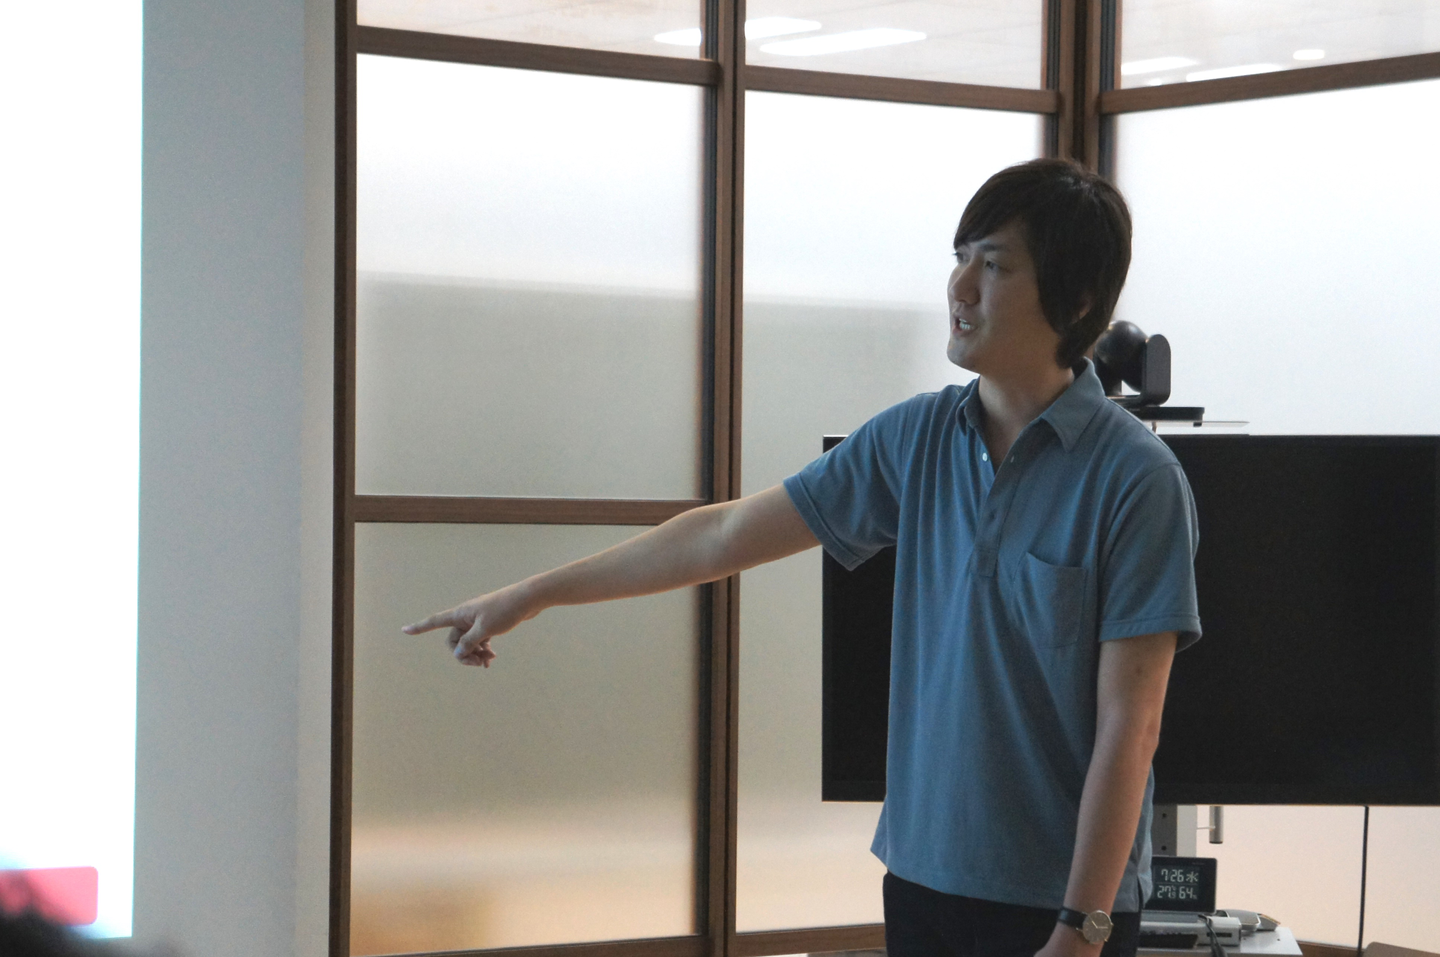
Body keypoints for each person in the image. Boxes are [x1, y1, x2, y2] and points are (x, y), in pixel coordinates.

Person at [403, 158, 1200, 957]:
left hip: (1061, 906)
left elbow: (1130, 726)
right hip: (923, 880)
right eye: (960, 258)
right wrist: (534, 593)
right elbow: (721, 535)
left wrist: (1082, 928)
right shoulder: (914, 437)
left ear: (1077, 298)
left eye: (993, 265)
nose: (959, 287)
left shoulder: (1136, 478)